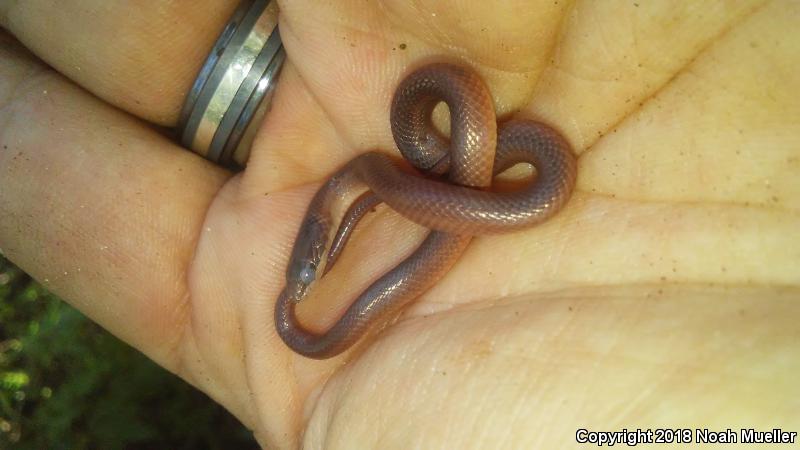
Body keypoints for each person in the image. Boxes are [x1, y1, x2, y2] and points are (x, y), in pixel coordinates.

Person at [0, 1, 797, 448]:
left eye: (308, 270)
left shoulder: (408, 152)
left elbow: (398, 182)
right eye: (307, 276)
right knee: (432, 163)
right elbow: (389, 183)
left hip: (459, 159)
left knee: (434, 162)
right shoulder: (401, 154)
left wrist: (413, 197)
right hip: (450, 160)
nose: (306, 277)